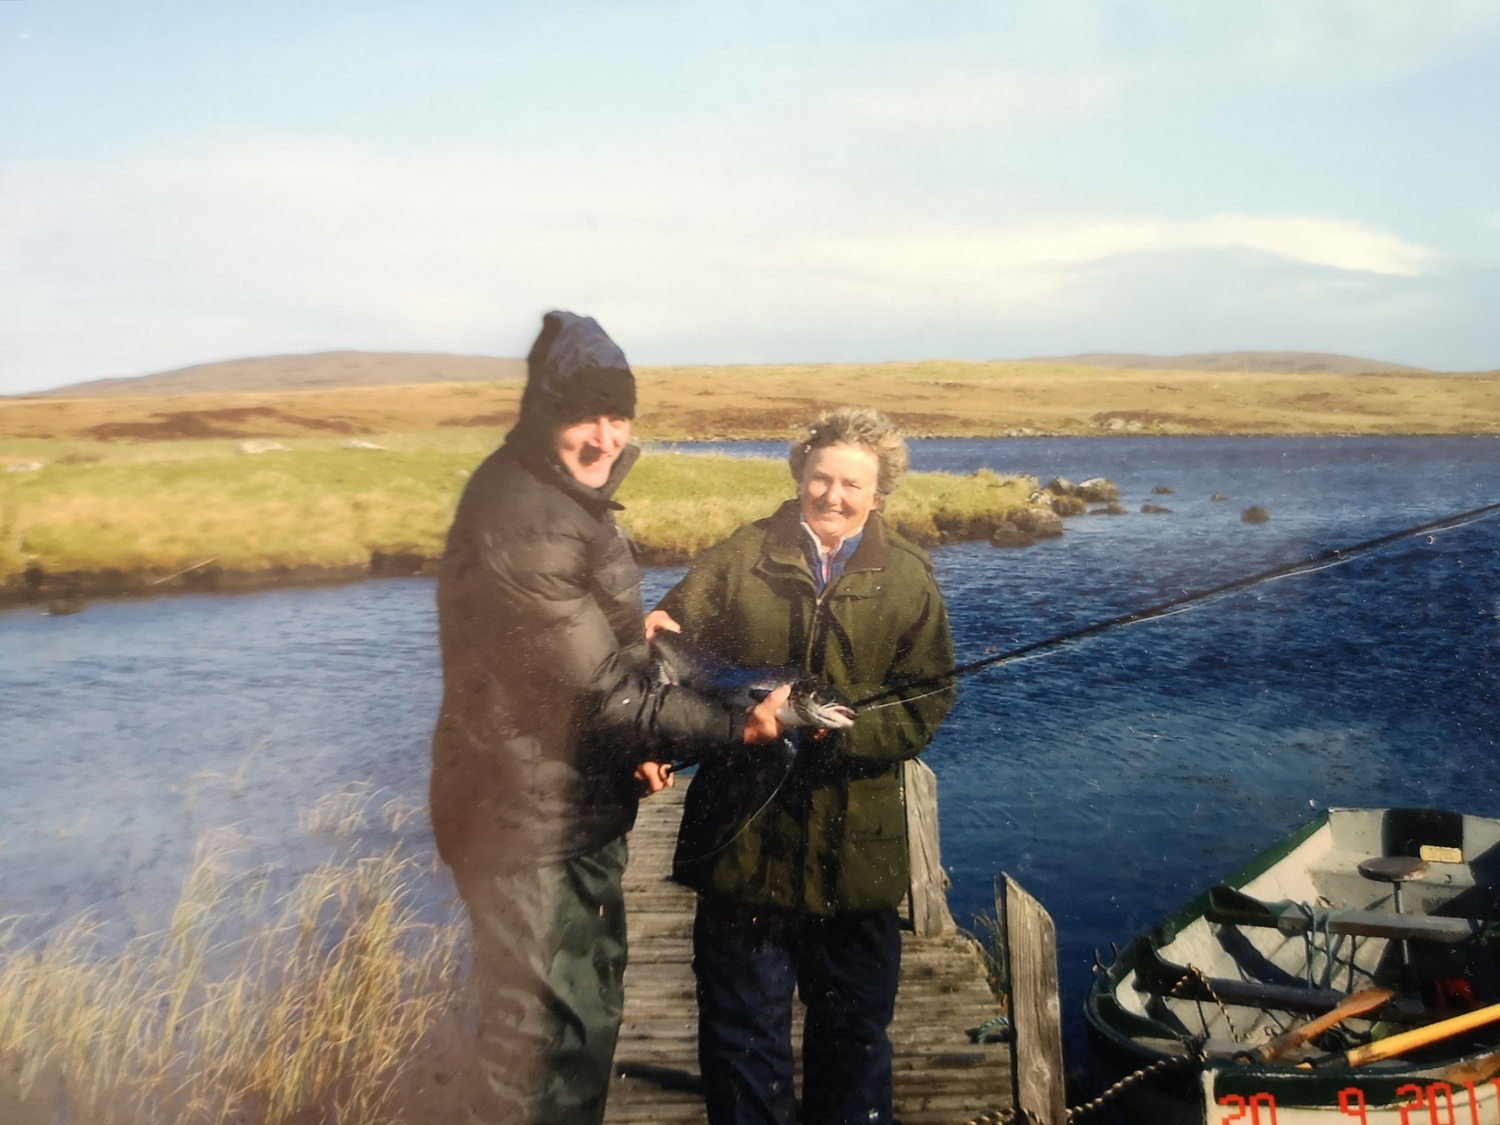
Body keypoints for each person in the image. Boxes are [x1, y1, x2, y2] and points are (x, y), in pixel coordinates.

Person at [429, 310, 791, 1125]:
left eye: (617, 415)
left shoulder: (562, 499)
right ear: (543, 414)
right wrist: (740, 727)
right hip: (524, 823)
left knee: (578, 1022)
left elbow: (589, 667)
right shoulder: (527, 518)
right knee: (543, 1044)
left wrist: (641, 686)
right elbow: (606, 696)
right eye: (582, 414)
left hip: (562, 804)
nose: (603, 436)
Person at [648, 407, 956, 1125]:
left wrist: (832, 734)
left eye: (853, 483)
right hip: (742, 847)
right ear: (799, 474)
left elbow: (926, 705)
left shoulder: (909, 579)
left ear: (880, 494)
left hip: (857, 861)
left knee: (853, 1042)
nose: (834, 495)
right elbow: (669, 642)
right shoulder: (739, 556)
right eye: (821, 476)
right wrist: (659, 732)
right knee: (741, 1042)